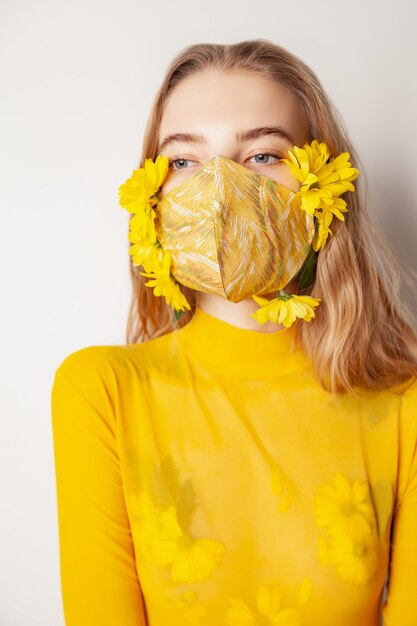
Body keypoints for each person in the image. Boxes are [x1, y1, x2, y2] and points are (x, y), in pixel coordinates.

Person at [51, 39, 417, 626]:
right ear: (153, 198)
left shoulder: (405, 404)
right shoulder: (102, 391)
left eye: (263, 156)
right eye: (184, 161)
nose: (219, 190)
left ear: (321, 187)